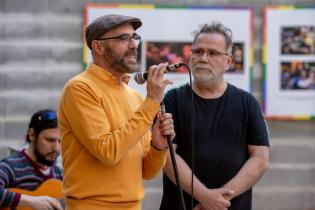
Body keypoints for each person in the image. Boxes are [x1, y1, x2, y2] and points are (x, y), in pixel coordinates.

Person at [58, 14, 175, 210]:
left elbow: (146, 171)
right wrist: (152, 102)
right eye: (123, 38)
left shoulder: (134, 96)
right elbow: (108, 152)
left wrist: (158, 147)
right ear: (98, 47)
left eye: (134, 37)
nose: (133, 45)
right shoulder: (80, 88)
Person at [160, 22, 270, 210]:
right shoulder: (173, 100)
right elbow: (167, 156)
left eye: (212, 53)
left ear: (228, 61)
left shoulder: (247, 103)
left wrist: (218, 200)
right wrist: (205, 196)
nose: (203, 58)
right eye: (198, 51)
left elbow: (260, 158)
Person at [0, 109, 63, 210]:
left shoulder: (60, 175)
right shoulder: (10, 167)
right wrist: (31, 201)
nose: (56, 148)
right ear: (32, 135)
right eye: (50, 140)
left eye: (60, 141)